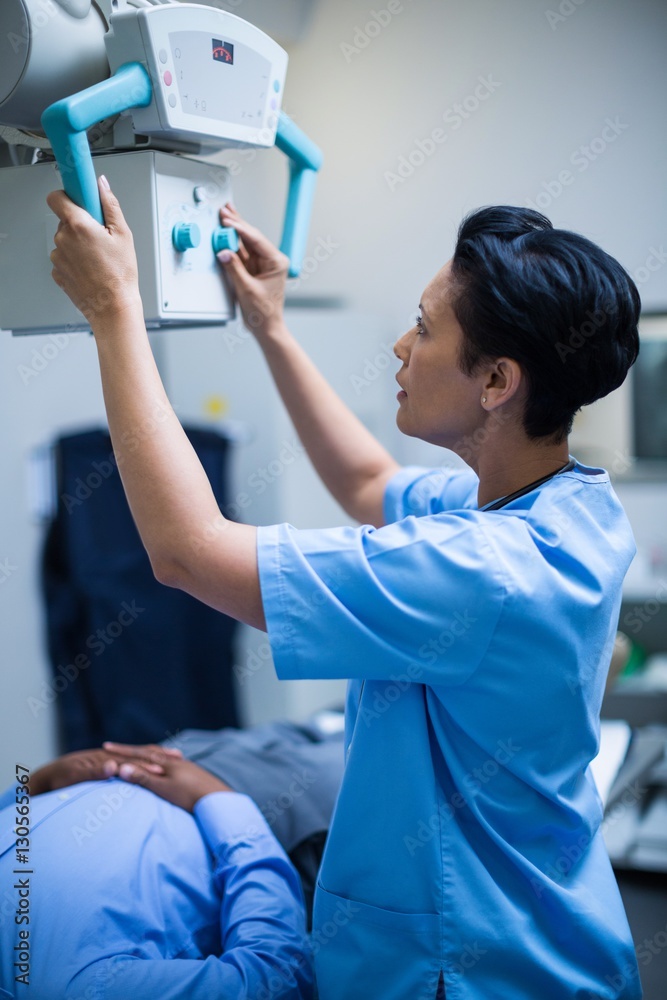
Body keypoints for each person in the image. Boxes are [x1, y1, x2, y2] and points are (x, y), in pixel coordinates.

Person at [46, 181, 643, 999]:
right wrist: (270, 326)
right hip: (546, 933)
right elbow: (367, 483)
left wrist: (113, 308)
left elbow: (186, 553)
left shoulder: (482, 569)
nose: (401, 346)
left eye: (425, 329)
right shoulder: (559, 504)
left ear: (497, 381)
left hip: (472, 971)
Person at [0, 739, 317, 999]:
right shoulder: (73, 989)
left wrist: (38, 783)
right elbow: (276, 977)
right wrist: (216, 798)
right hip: (263, 822)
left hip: (180, 755)